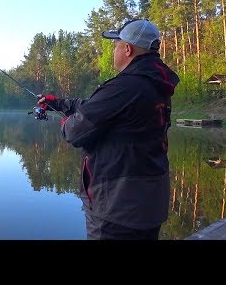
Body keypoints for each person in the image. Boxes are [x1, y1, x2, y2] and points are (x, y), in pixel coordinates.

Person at [37, 19, 180, 240]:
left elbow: (75, 132)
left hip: (117, 209)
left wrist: (66, 122)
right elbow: (97, 107)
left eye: (116, 45)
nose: (114, 50)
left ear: (128, 49)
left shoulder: (125, 87)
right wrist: (59, 103)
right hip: (149, 203)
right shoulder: (154, 85)